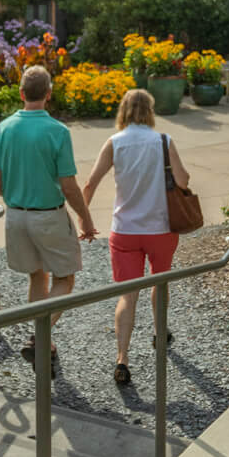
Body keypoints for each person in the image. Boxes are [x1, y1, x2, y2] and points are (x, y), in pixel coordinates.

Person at [0, 64, 98, 377]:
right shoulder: (57, 132)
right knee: (65, 278)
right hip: (48, 216)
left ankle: (43, 344)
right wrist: (86, 219)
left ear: (21, 93)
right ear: (49, 95)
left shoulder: (3, 128)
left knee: (37, 276)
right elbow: (68, 185)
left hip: (15, 217)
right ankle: (40, 337)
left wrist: (18, 191)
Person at [81, 88, 190, 385]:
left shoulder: (114, 143)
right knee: (159, 281)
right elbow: (183, 180)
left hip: (125, 230)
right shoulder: (163, 141)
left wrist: (84, 220)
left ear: (124, 112)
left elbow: (90, 184)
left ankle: (122, 359)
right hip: (160, 229)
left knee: (127, 296)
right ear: (150, 112)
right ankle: (158, 331)